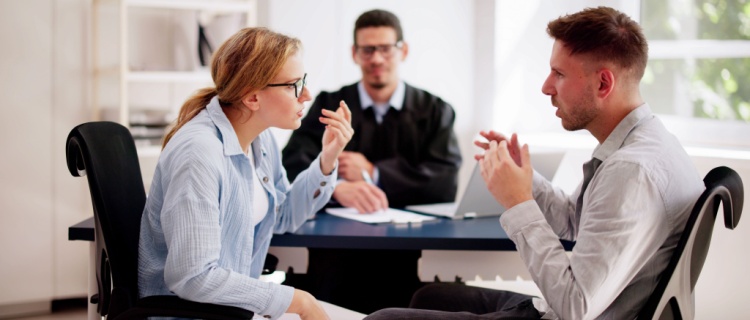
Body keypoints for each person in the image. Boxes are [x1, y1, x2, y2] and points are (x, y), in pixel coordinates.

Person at [365, 6, 704, 320]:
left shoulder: (631, 171)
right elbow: (575, 222)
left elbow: (574, 307)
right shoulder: (646, 143)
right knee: (429, 296)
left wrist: (518, 202)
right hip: (563, 307)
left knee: (382, 319)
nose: (545, 87)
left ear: (603, 83)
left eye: (558, 73)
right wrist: (526, 180)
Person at [138, 27, 354, 320]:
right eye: (294, 85)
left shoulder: (259, 139)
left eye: (304, 81)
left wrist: (327, 159)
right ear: (252, 98)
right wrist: (299, 301)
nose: (307, 94)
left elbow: (284, 215)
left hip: (232, 311)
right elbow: (193, 277)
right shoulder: (199, 154)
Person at [280, 9, 462, 314]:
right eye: (367, 50)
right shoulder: (328, 105)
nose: (376, 59)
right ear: (355, 54)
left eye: (385, 49)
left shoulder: (435, 110)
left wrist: (375, 173)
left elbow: (444, 180)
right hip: (334, 251)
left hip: (406, 253)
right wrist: (334, 187)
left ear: (402, 50)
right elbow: (292, 164)